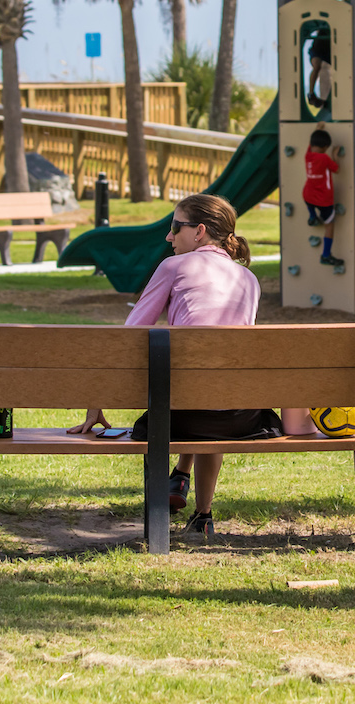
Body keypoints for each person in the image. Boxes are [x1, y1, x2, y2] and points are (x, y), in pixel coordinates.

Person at [68, 192, 268, 537]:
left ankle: (176, 486)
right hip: (241, 417)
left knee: (188, 396)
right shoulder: (248, 279)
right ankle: (202, 514)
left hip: (176, 418)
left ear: (199, 231)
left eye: (175, 227)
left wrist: (95, 400)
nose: (169, 236)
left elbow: (129, 337)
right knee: (211, 395)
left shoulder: (173, 267)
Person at [303, 127, 343, 267]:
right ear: (326, 147)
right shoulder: (325, 158)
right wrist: (335, 154)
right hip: (324, 200)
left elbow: (311, 145)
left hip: (308, 195)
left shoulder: (307, 156)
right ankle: (326, 255)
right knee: (330, 225)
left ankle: (313, 216)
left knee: (308, 199)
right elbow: (337, 169)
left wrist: (317, 129)